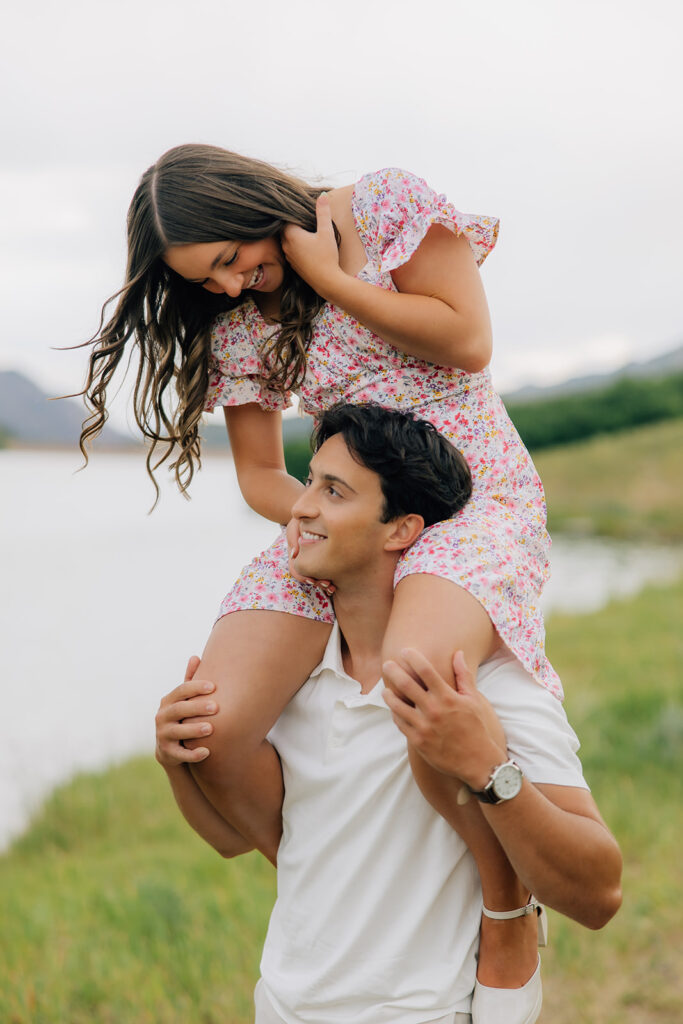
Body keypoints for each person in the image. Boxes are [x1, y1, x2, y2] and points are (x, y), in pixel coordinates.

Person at [79, 144, 565, 1001]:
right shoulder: (236, 325)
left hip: (470, 502)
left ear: (247, 205)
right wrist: (334, 523)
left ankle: (503, 909)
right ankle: (327, 886)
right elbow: (265, 479)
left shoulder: (381, 208)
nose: (229, 287)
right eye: (206, 281)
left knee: (418, 685)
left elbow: (468, 341)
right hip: (340, 515)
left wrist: (330, 279)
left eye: (230, 259)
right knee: (213, 733)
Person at [155, 404, 622, 1024]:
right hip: (282, 1006)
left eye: (333, 491)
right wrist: (176, 761)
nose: (300, 507)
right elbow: (230, 841)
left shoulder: (482, 686)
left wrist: (489, 769)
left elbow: (599, 894)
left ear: (401, 530)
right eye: (310, 480)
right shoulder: (294, 686)